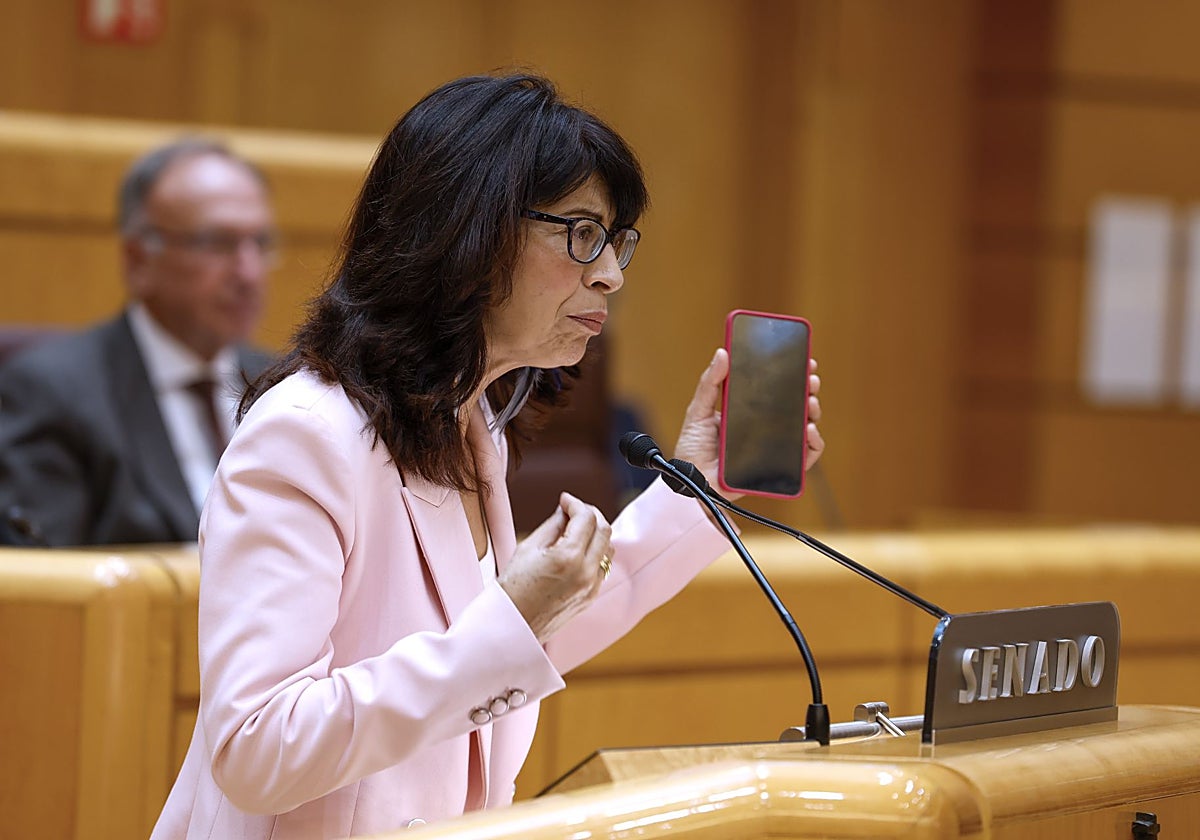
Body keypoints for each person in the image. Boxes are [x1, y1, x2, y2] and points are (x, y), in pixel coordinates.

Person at [151, 74, 825, 839]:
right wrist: (509, 620)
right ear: (466, 233)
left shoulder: (470, 428)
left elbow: (506, 646)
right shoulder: (306, 434)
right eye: (581, 233)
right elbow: (258, 747)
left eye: (615, 240)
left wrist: (695, 487)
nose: (611, 272)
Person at [0, 139, 276, 546]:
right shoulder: (51, 392)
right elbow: (49, 579)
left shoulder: (284, 386)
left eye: (261, 243)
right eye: (217, 242)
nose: (249, 272)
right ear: (138, 260)